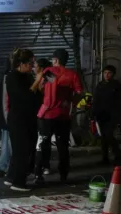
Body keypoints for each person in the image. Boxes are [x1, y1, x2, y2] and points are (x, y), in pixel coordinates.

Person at [36, 48, 83, 185]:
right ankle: (63, 175)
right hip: (63, 115)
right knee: (63, 147)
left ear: (56, 60)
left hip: (47, 114)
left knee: (43, 144)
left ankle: (39, 173)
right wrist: (69, 101)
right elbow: (79, 93)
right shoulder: (72, 75)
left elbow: (41, 88)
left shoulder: (49, 72)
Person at [5, 49, 42, 192]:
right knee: (22, 150)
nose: (32, 66)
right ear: (21, 64)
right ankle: (18, 183)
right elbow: (24, 96)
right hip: (18, 119)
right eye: (30, 63)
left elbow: (35, 97)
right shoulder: (12, 77)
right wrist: (37, 81)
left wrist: (39, 83)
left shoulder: (27, 76)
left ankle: (11, 177)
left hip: (29, 118)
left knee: (22, 150)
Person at [92, 65, 121, 165]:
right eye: (105, 73)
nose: (106, 75)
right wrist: (93, 113)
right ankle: (105, 158)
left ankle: (118, 155)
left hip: (111, 115)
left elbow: (120, 101)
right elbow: (96, 100)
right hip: (101, 115)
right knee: (103, 138)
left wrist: (118, 115)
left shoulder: (116, 86)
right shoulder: (100, 85)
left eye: (109, 73)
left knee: (109, 135)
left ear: (113, 74)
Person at [0, 57, 13, 177]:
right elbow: (5, 100)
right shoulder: (8, 77)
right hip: (7, 116)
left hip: (7, 116)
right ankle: (4, 165)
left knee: (7, 142)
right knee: (7, 142)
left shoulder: (9, 76)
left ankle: (3, 165)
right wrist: (7, 118)